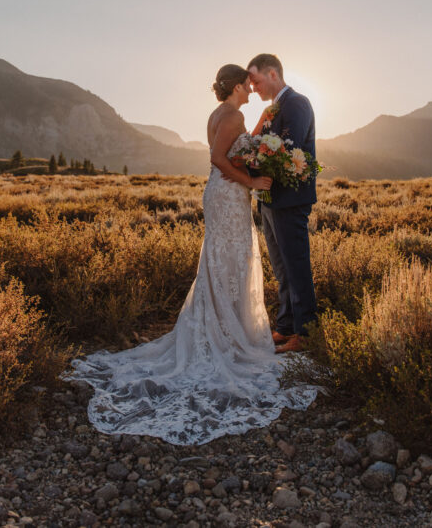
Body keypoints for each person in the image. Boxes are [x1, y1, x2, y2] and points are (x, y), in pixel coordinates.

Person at [66, 64, 317, 445]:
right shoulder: (232, 114)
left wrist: (256, 150)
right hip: (230, 193)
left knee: (224, 262)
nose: (251, 89)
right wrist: (252, 179)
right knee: (229, 260)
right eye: (247, 84)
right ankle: (229, 335)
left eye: (255, 82)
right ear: (235, 87)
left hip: (226, 193)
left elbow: (233, 152)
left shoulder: (223, 114)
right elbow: (219, 158)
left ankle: (229, 327)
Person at [247, 54, 318, 354]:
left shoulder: (297, 104)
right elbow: (261, 146)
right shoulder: (272, 109)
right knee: (281, 267)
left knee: (296, 265)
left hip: (290, 200)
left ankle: (306, 333)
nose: (252, 88)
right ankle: (286, 326)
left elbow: (291, 149)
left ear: (273, 74)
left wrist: (252, 166)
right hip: (270, 200)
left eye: (256, 80)